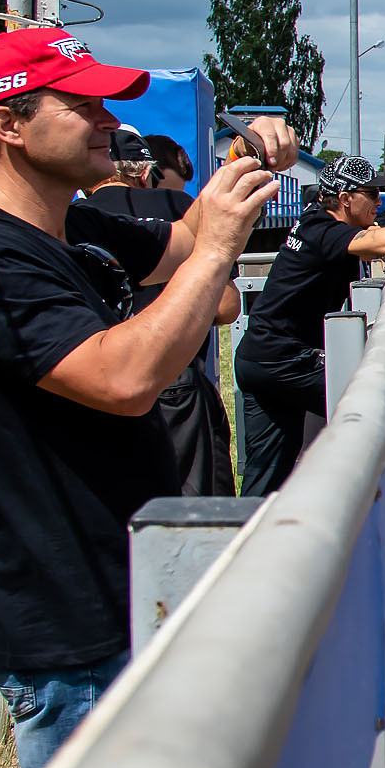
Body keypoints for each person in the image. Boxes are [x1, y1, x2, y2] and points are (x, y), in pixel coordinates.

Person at [0, 28, 292, 768]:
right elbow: (123, 377)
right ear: (9, 125)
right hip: (67, 629)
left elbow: (181, 240)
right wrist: (217, 250)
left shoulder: (69, 224)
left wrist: (243, 160)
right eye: (82, 103)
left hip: (122, 590)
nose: (109, 119)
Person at [233, 153, 385, 493]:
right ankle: (360, 505)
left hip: (259, 357)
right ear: (345, 199)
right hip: (285, 358)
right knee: (368, 405)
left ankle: (252, 536)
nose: (379, 200)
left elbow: (370, 236)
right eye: (371, 194)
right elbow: (384, 242)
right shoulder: (325, 230)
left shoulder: (314, 221)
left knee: (268, 473)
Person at [82, 127, 240, 496]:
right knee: (201, 515)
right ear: (141, 172)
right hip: (176, 384)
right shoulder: (177, 209)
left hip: (97, 383)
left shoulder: (73, 220)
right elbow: (226, 306)